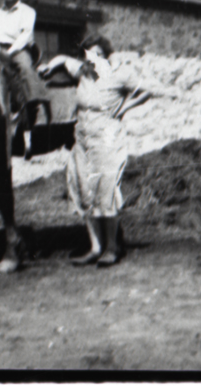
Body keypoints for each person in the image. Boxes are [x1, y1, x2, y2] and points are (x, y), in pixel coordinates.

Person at [38, 35, 157, 267]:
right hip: (82, 137)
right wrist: (50, 65)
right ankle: (95, 247)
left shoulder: (119, 74)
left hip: (107, 138)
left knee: (105, 191)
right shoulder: (83, 72)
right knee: (84, 190)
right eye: (90, 55)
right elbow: (63, 59)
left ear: (107, 55)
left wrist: (124, 107)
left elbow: (146, 90)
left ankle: (112, 247)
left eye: (100, 55)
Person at [0, 0, 48, 115]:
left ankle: (34, 102)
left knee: (25, 67)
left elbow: (25, 36)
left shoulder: (27, 11)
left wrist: (10, 52)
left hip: (17, 49)